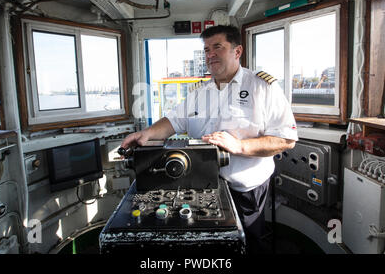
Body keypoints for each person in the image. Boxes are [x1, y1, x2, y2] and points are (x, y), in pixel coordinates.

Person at [121, 25, 298, 254]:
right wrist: (146, 134)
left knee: (249, 243)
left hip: (244, 188)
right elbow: (173, 121)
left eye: (217, 47)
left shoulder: (262, 87)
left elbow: (286, 139)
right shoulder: (198, 92)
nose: (210, 54)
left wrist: (240, 146)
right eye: (206, 49)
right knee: (209, 245)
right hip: (201, 186)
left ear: (237, 51)